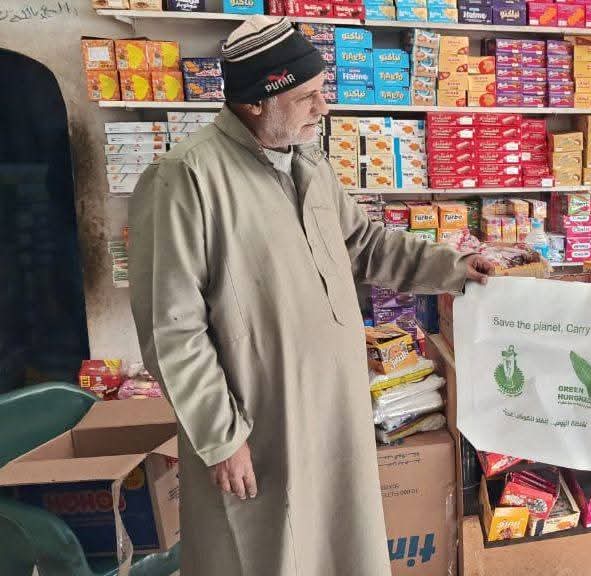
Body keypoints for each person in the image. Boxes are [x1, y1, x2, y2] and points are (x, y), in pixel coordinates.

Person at [129, 16, 492, 576]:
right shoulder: (186, 178)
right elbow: (171, 328)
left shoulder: (309, 162)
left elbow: (365, 244)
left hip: (336, 409)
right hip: (263, 420)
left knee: (341, 545)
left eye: (322, 91)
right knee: (268, 553)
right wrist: (221, 438)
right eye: (307, 97)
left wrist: (454, 268)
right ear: (255, 102)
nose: (323, 108)